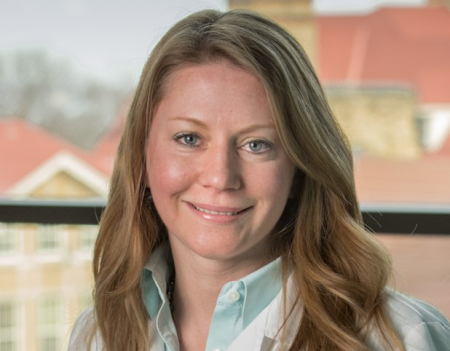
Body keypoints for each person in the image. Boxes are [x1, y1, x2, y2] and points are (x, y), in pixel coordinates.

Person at [68, 9, 450, 351]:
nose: (220, 177)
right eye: (189, 139)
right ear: (142, 157)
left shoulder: (402, 338)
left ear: (301, 168)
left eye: (257, 144)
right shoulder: (96, 335)